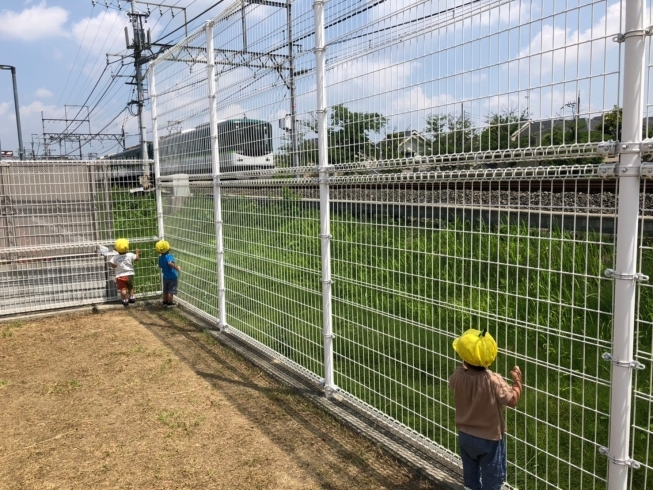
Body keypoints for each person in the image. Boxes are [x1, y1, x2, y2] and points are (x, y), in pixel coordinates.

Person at [449, 328, 523, 490]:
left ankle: (471, 488)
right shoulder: (493, 380)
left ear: (463, 357)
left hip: (465, 436)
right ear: (490, 358)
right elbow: (512, 400)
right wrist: (517, 383)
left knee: (470, 470)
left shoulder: (458, 375)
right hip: (489, 439)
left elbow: (452, 383)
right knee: (492, 474)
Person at [108, 238, 140, 307]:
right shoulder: (130, 255)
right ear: (127, 247)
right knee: (130, 287)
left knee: (123, 288)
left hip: (120, 276)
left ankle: (125, 300)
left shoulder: (115, 257)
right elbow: (136, 258)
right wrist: (137, 252)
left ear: (116, 248)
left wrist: (115, 265)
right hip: (129, 274)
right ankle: (132, 297)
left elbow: (113, 265)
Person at [155, 240, 181, 307]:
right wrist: (177, 268)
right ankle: (170, 303)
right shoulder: (169, 256)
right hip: (172, 276)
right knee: (171, 291)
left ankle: (165, 301)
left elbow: (160, 266)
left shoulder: (160, 258)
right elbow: (170, 263)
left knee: (165, 291)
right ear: (168, 248)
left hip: (165, 277)